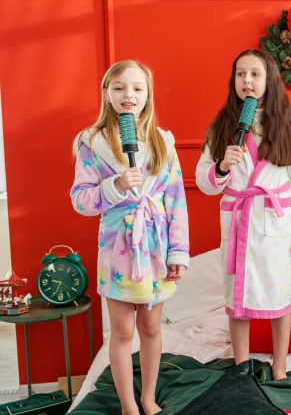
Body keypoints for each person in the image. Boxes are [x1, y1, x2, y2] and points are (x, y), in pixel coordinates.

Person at [71, 60, 190, 415]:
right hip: (117, 249)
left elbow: (175, 199)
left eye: (138, 88)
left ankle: (148, 397)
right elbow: (80, 199)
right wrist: (115, 186)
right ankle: (128, 405)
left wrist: (178, 253)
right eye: (120, 87)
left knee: (151, 326)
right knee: (122, 331)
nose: (129, 95)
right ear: (106, 93)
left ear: (147, 95)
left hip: (155, 246)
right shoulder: (92, 141)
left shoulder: (162, 141)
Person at [195, 49, 291, 380]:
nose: (247, 81)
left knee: (280, 293)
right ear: (233, 80)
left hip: (274, 223)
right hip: (238, 221)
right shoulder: (220, 128)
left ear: (270, 81)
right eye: (240, 74)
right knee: (237, 296)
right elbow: (203, 180)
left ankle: (279, 365)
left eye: (255, 74)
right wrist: (222, 166)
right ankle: (241, 364)